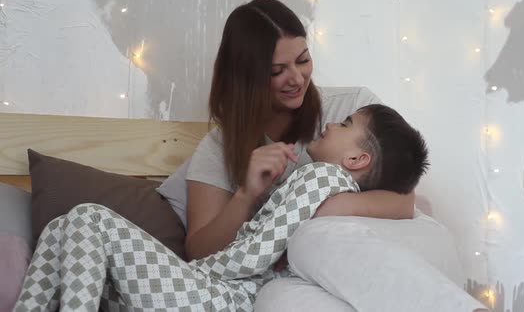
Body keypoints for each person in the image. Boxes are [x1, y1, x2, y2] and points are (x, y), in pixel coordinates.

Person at [13, 102, 427, 312]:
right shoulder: (325, 183)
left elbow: (256, 254)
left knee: (88, 218)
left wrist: (188, 270)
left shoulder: (320, 177)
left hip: (223, 299)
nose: (334, 123)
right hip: (207, 290)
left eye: (347, 124)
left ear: (357, 160)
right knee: (62, 225)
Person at [184, 0, 415, 265]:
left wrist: (315, 211)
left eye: (303, 60)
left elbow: (404, 201)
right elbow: (198, 253)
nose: (296, 79)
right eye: (276, 71)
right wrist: (246, 195)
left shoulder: (355, 107)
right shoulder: (218, 149)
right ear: (245, 78)